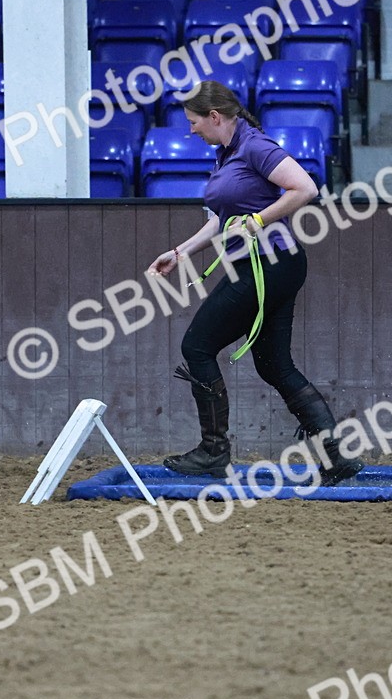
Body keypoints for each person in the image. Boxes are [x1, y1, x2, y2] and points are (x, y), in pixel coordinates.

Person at [145, 81, 363, 487]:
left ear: (214, 117)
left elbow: (306, 187)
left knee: (197, 346)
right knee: (274, 364)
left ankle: (214, 452)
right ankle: (335, 456)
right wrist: (180, 253)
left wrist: (260, 221)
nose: (191, 130)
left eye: (194, 122)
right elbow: (220, 219)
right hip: (270, 264)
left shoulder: (254, 146)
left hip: (268, 264)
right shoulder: (228, 153)